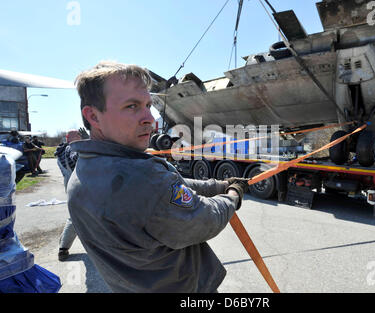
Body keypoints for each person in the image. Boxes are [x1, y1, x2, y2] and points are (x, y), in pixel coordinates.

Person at [67, 61, 249, 293]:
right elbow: (204, 220)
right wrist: (233, 196)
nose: (150, 120)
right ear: (93, 115)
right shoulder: (140, 176)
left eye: (148, 106)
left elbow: (169, 187)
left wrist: (218, 185)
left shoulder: (87, 168)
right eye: (132, 106)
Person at [55, 129, 84, 261]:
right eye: (77, 135)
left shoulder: (60, 151)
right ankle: (63, 248)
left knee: (75, 217)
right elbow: (76, 157)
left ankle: (63, 245)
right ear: (69, 137)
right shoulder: (71, 149)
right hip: (80, 187)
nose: (80, 136)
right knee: (75, 218)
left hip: (70, 186)